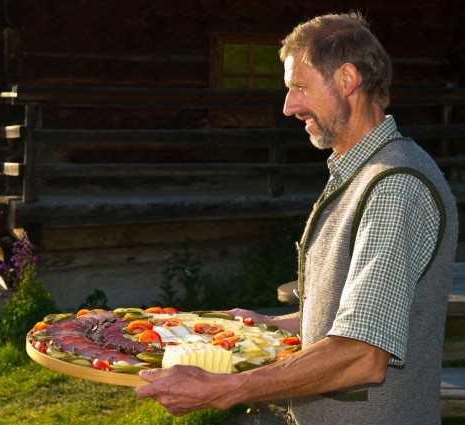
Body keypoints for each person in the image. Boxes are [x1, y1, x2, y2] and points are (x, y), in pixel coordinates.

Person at [135, 12, 458, 425]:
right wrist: (269, 324)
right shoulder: (362, 173)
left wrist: (225, 389)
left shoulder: (394, 188)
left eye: (299, 88)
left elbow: (362, 353)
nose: (288, 107)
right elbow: (353, 317)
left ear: (346, 80)